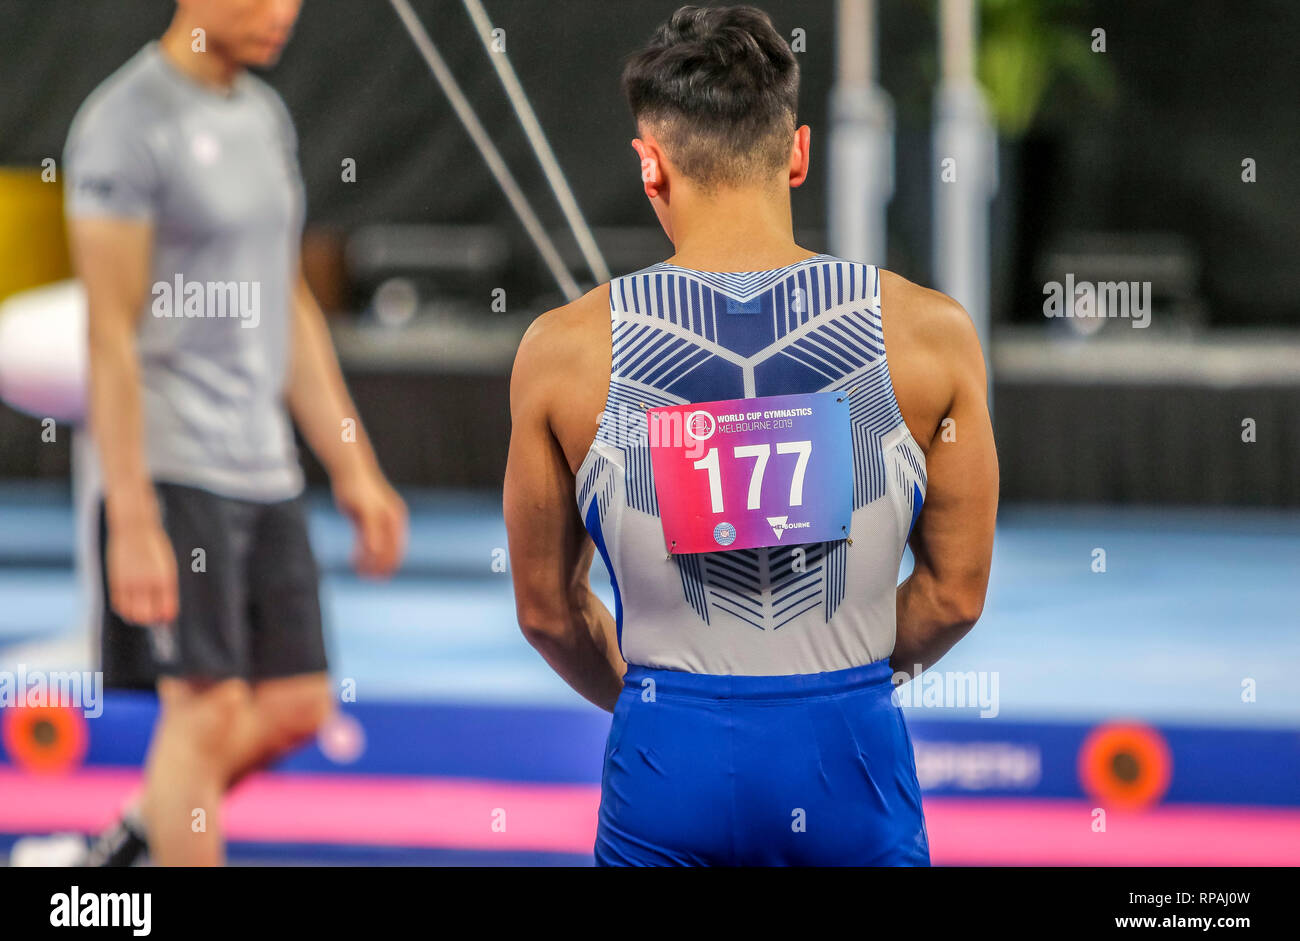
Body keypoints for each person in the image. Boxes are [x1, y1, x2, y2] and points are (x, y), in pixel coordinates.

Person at [503, 4, 997, 865]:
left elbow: (547, 613)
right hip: (850, 763)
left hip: (670, 766)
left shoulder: (562, 354)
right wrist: (834, 688)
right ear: (799, 154)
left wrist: (667, 702)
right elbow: (955, 595)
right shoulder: (930, 335)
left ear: (650, 167)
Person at [62, 0, 407, 865]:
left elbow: (284, 299)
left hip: (264, 462)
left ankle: (134, 840)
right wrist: (131, 515)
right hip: (176, 462)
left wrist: (354, 466)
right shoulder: (123, 123)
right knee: (205, 711)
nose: (284, 13)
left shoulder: (262, 114)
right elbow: (108, 336)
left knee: (295, 702)